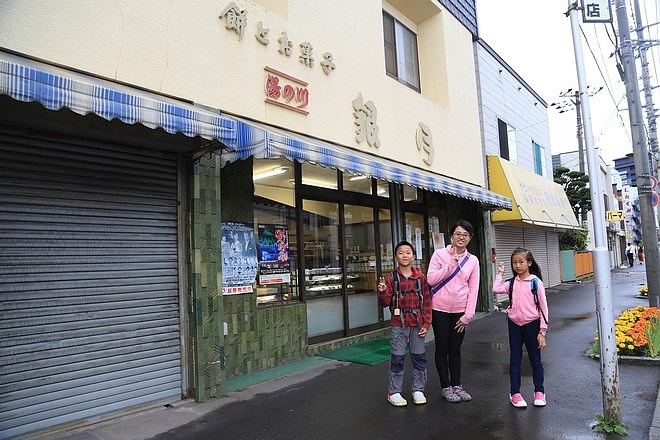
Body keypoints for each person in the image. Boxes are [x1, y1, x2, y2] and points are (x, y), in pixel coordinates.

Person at [426, 219, 479, 403]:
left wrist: (468, 315)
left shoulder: (473, 261)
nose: (461, 237)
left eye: (465, 234)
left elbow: (474, 289)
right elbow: (431, 279)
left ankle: (458, 385)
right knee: (442, 347)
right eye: (457, 233)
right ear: (451, 236)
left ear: (470, 238)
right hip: (439, 309)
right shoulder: (439, 254)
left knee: (455, 349)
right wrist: (450, 266)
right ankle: (445, 387)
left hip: (460, 312)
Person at [492, 247, 549, 409]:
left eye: (521, 262)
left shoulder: (535, 282)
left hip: (532, 325)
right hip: (514, 325)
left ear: (529, 263)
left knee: (535, 360)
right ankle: (515, 393)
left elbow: (544, 309)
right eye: (514, 262)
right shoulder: (511, 283)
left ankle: (539, 392)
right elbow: (496, 289)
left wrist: (542, 331)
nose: (517, 265)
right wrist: (500, 273)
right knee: (515, 360)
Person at [377, 240, 432, 407]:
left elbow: (427, 301)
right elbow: (386, 302)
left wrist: (426, 323)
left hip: (417, 323)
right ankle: (394, 392)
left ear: (414, 256)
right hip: (398, 323)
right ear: (396, 257)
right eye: (401, 252)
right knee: (397, 358)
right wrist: (382, 291)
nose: (404, 255)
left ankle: (418, 389)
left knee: (419, 357)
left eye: (408, 252)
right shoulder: (391, 277)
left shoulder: (420, 277)